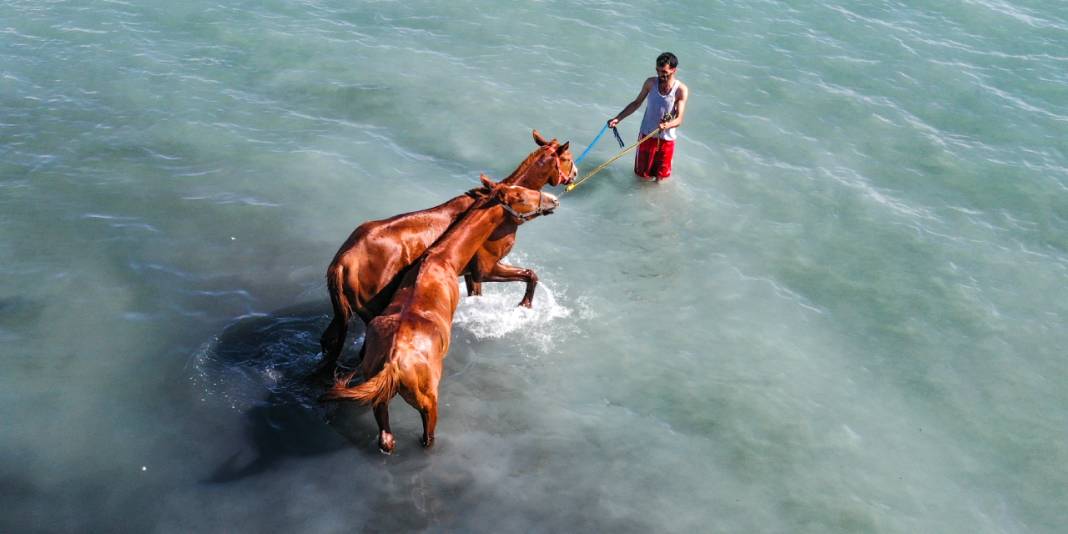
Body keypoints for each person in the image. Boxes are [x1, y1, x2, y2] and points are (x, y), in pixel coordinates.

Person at [608, 52, 688, 181]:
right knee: (640, 177)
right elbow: (636, 103)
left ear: (674, 70)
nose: (659, 74)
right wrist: (618, 118)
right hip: (646, 137)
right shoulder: (650, 83)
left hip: (666, 140)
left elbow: (679, 119)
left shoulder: (681, 90)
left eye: (663, 71)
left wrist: (668, 125)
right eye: (657, 70)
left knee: (660, 179)